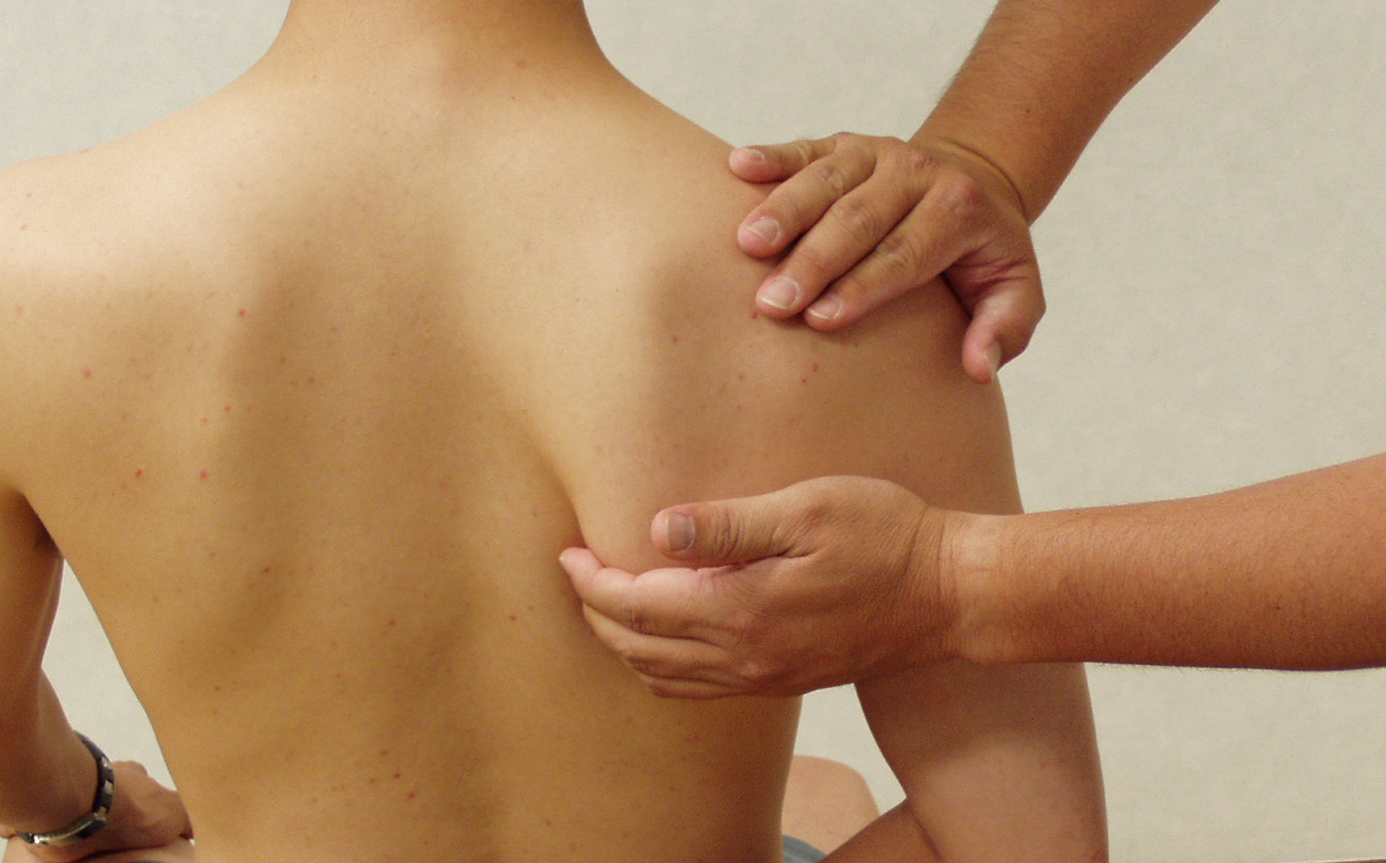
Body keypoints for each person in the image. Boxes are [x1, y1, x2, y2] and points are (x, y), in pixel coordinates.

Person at [0, 2, 1105, 863]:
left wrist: (90, 811)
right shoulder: (851, 268)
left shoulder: (13, 263)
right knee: (824, 792)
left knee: (47, 860)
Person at [561, 0, 1386, 692]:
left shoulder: (816, 275)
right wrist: (985, 152)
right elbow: (1024, 846)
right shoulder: (809, 287)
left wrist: (955, 582)